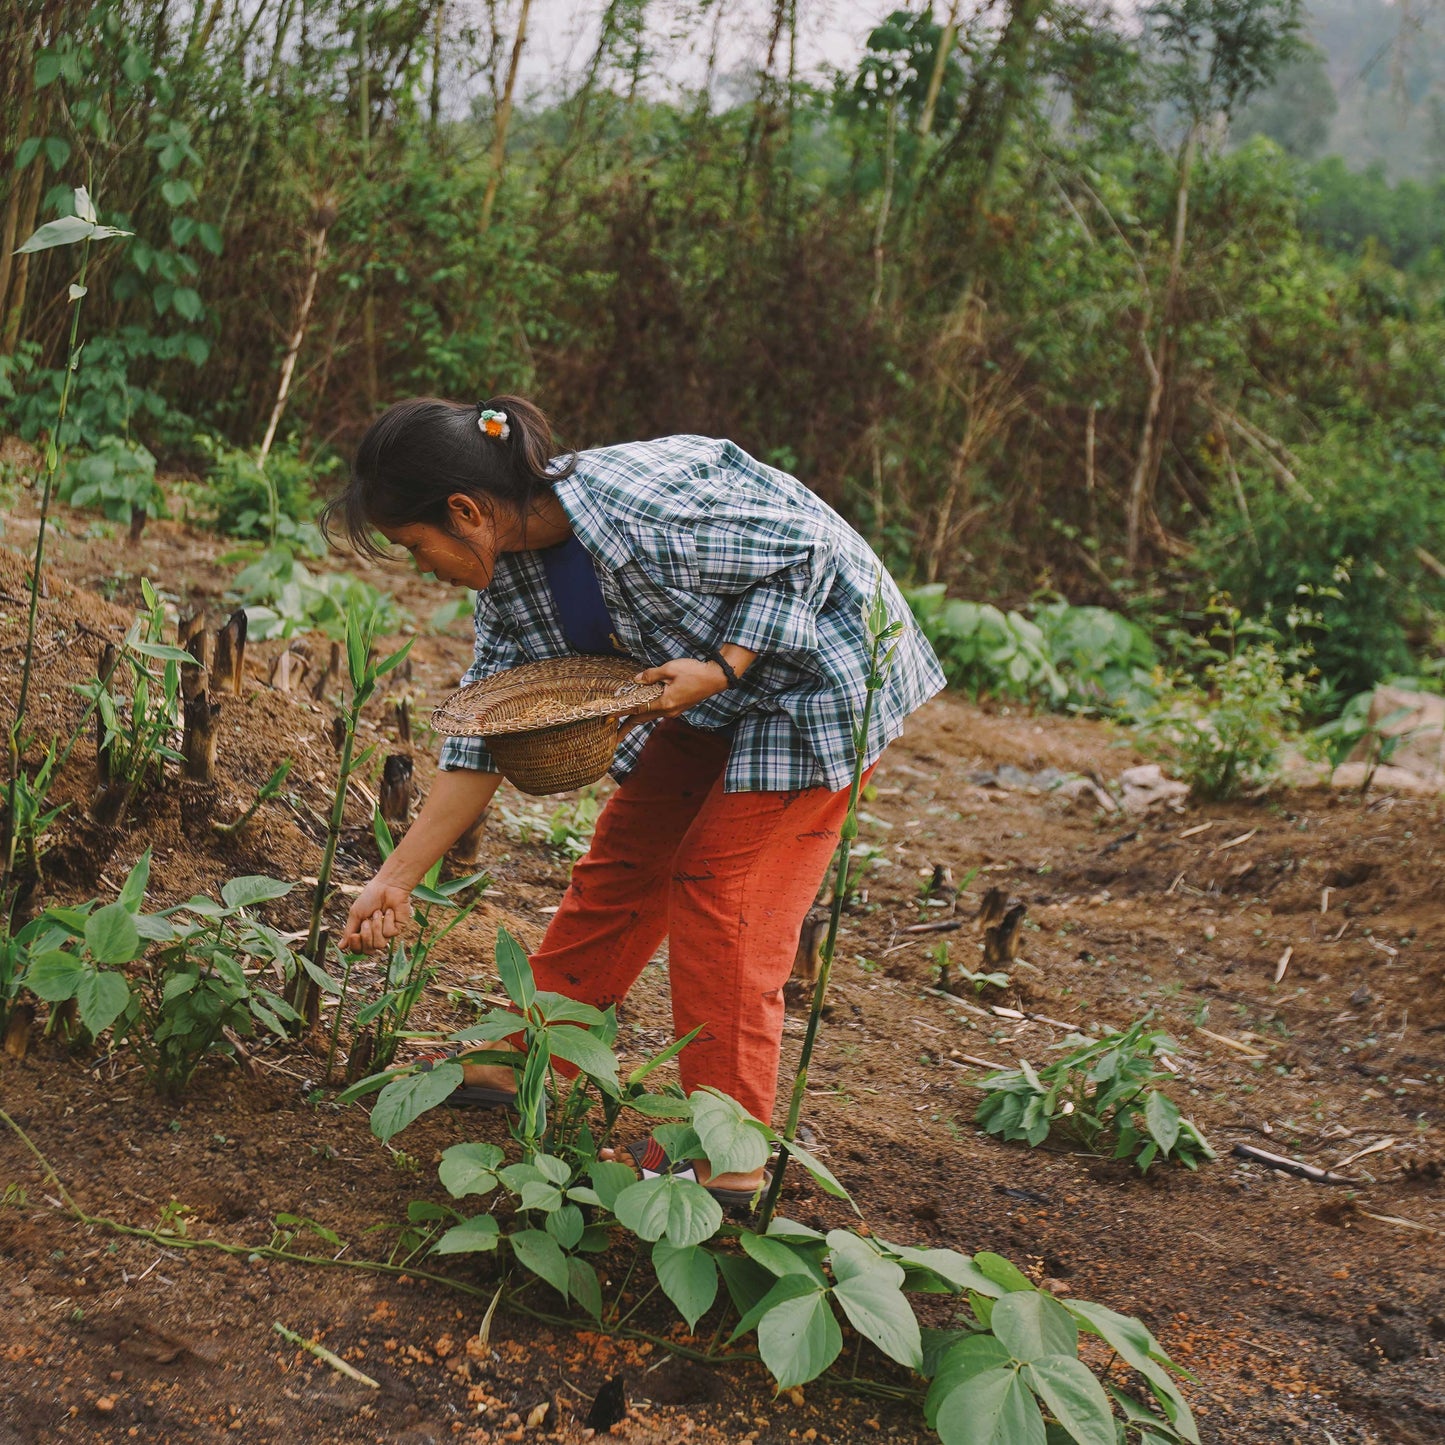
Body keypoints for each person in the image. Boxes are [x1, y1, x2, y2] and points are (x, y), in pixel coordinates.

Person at [329, 396, 945, 1204]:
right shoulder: (509, 581)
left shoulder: (644, 506)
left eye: (417, 547)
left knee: (721, 894)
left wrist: (725, 664)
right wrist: (397, 877)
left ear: (466, 511)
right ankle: (524, 1049)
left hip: (818, 681)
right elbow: (484, 731)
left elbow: (811, 552)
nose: (422, 566)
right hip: (703, 691)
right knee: (627, 858)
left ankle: (726, 1157)